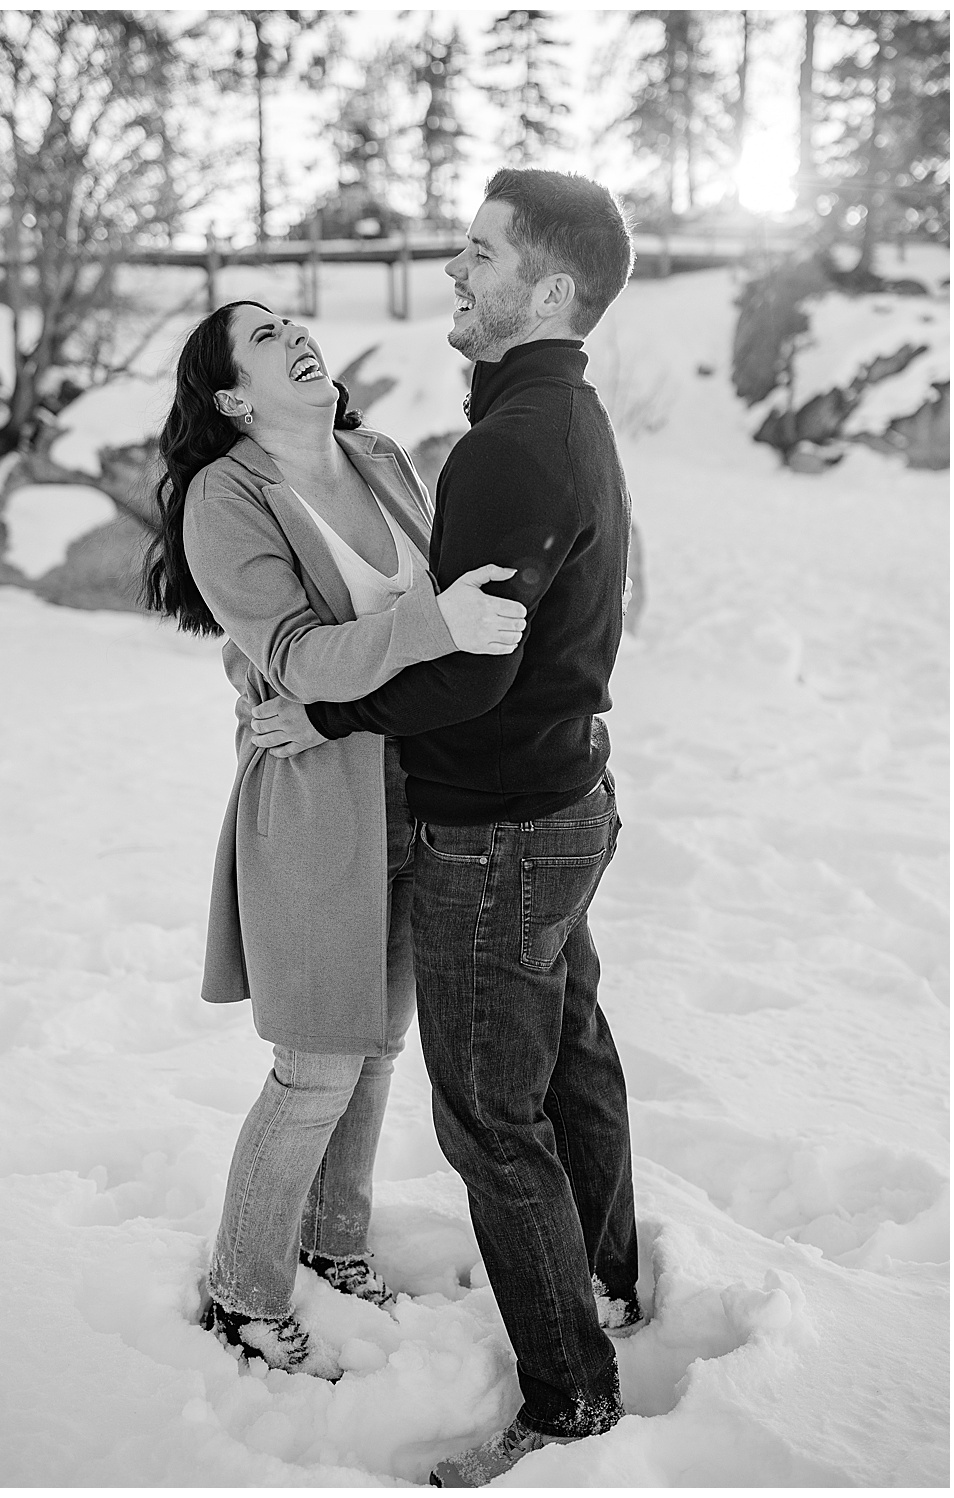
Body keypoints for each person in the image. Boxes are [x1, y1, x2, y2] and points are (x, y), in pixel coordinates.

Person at [253, 169, 640, 1485]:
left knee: (490, 1112)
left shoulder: (517, 442)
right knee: (571, 1058)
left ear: (546, 288)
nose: (451, 270)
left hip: (507, 825)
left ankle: (570, 1394)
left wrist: (330, 718)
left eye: (478, 254)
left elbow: (474, 664)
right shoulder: (551, 419)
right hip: (566, 796)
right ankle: (610, 1278)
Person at [141, 300, 529, 1379]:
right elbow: (302, 655)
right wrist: (419, 631)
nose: (293, 335)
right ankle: (242, 1290)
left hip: (428, 797)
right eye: (262, 337)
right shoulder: (226, 497)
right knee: (313, 1064)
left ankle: (334, 1240)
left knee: (374, 1047)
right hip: (316, 806)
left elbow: (427, 604)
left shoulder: (378, 454)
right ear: (231, 396)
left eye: (289, 321)